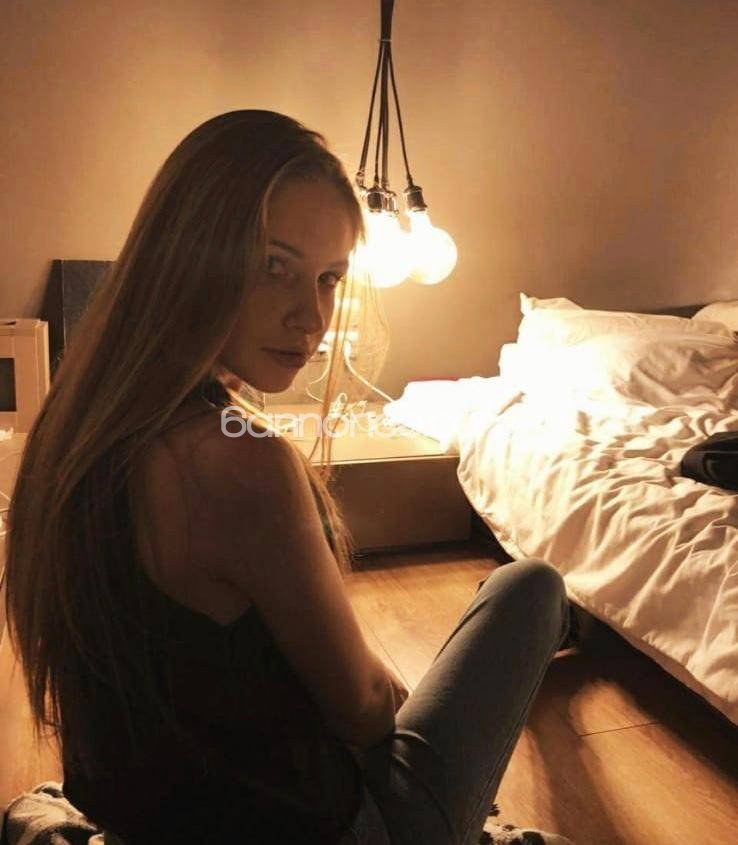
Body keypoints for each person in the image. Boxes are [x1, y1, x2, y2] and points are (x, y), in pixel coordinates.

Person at [2, 110, 572, 845]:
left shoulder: (79, 415)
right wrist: (395, 701)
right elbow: (363, 710)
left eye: (330, 278)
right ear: (191, 255)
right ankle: (564, 627)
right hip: (323, 829)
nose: (311, 316)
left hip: (143, 817)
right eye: (275, 265)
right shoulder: (238, 460)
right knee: (530, 588)